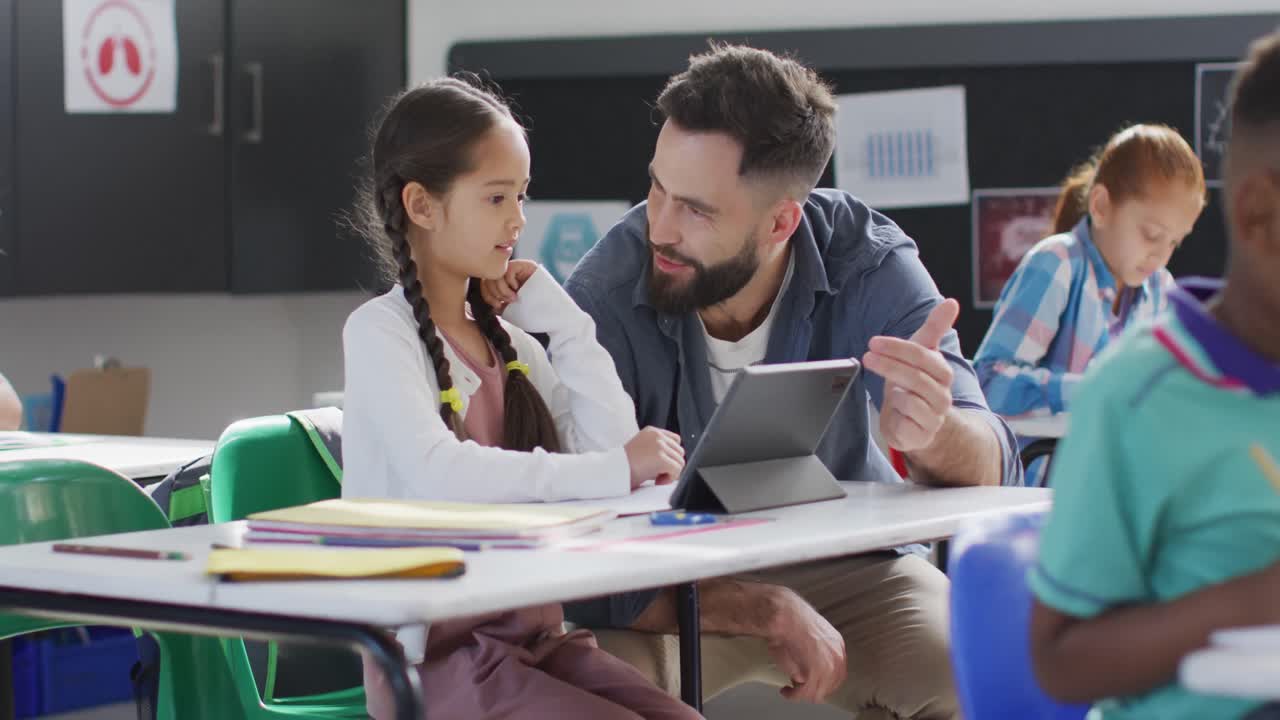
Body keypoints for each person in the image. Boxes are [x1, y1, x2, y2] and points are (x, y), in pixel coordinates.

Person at [559, 44, 1020, 719]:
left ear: (781, 222)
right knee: (581, 691)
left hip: (846, 567)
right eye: (656, 189)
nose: (659, 226)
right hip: (672, 579)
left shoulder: (868, 260)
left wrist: (937, 431)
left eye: (697, 210)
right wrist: (758, 606)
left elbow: (993, 454)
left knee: (972, 664)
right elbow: (566, 551)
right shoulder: (604, 292)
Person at [341, 76, 701, 720]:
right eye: (496, 198)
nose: (518, 219)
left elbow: (610, 445)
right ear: (423, 205)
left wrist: (563, 320)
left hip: (536, 643)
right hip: (433, 666)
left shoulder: (516, 348)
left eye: (522, 197)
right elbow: (439, 472)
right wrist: (620, 465)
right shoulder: (380, 333)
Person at [1029, 29, 1280, 720]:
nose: (1156, 254)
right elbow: (1058, 659)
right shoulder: (1134, 395)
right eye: (1150, 234)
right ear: (1261, 217)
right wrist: (1250, 603)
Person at [974, 124, 1205, 424]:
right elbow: (989, 383)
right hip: (1049, 465)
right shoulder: (1058, 263)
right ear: (1101, 206)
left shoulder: (1160, 287)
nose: (1162, 255)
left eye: (1175, 241)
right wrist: (1095, 390)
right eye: (1151, 234)